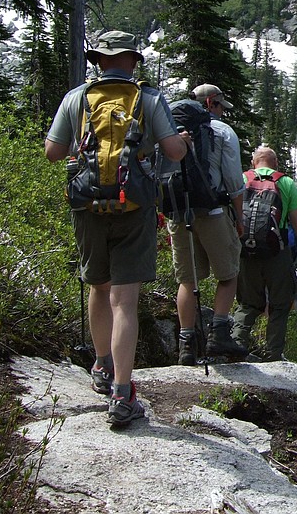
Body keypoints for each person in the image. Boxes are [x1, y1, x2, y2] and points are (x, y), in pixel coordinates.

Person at [44, 29, 189, 428]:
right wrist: (182, 143)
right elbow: (174, 152)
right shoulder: (149, 98)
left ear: (98, 61)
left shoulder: (77, 98)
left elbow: (53, 152)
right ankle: (123, 395)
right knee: (125, 300)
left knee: (98, 286)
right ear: (132, 61)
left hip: (88, 205)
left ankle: (101, 365)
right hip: (135, 206)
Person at [171, 83, 248, 364]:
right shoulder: (223, 132)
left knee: (187, 280)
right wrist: (239, 217)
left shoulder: (171, 127)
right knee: (228, 273)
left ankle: (186, 346)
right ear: (211, 103)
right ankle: (219, 335)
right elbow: (233, 181)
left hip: (179, 212)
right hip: (214, 211)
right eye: (219, 107)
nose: (222, 113)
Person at [232, 145, 297, 361]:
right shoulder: (285, 182)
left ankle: (235, 346)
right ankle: (273, 354)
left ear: (254, 163)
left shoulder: (241, 179)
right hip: (277, 253)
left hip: (245, 252)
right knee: (280, 304)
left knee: (247, 304)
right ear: (275, 164)